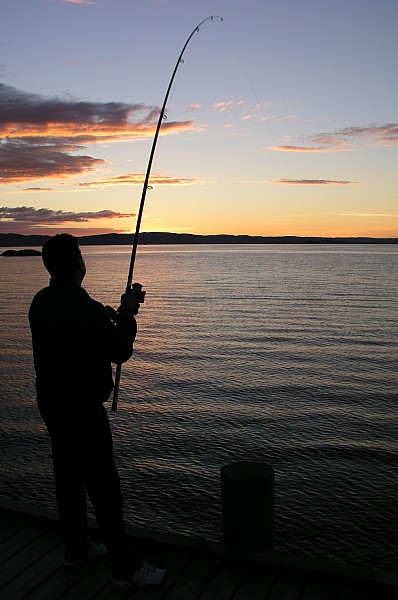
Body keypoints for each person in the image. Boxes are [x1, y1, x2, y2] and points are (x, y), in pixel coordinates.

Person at [29, 233, 165, 588]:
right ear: (78, 264)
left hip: (53, 407)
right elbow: (118, 349)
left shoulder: (40, 303)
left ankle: (75, 550)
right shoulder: (84, 309)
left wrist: (115, 314)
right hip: (83, 412)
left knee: (69, 480)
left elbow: (80, 334)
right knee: (105, 488)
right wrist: (129, 313)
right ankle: (125, 567)